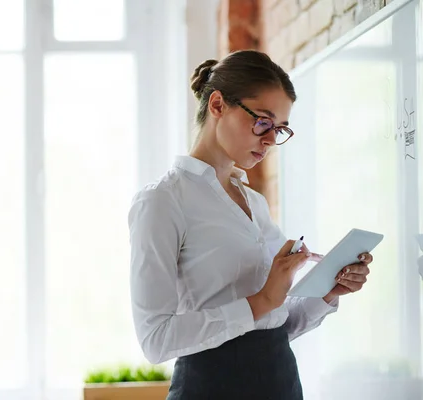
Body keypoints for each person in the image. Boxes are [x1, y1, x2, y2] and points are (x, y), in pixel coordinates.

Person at [127, 50, 374, 399]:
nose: (271, 139)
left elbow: (274, 323)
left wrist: (329, 290)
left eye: (280, 128)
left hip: (281, 382)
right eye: (262, 122)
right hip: (212, 388)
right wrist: (261, 300)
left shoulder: (254, 202)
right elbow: (156, 339)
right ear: (217, 105)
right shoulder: (163, 201)